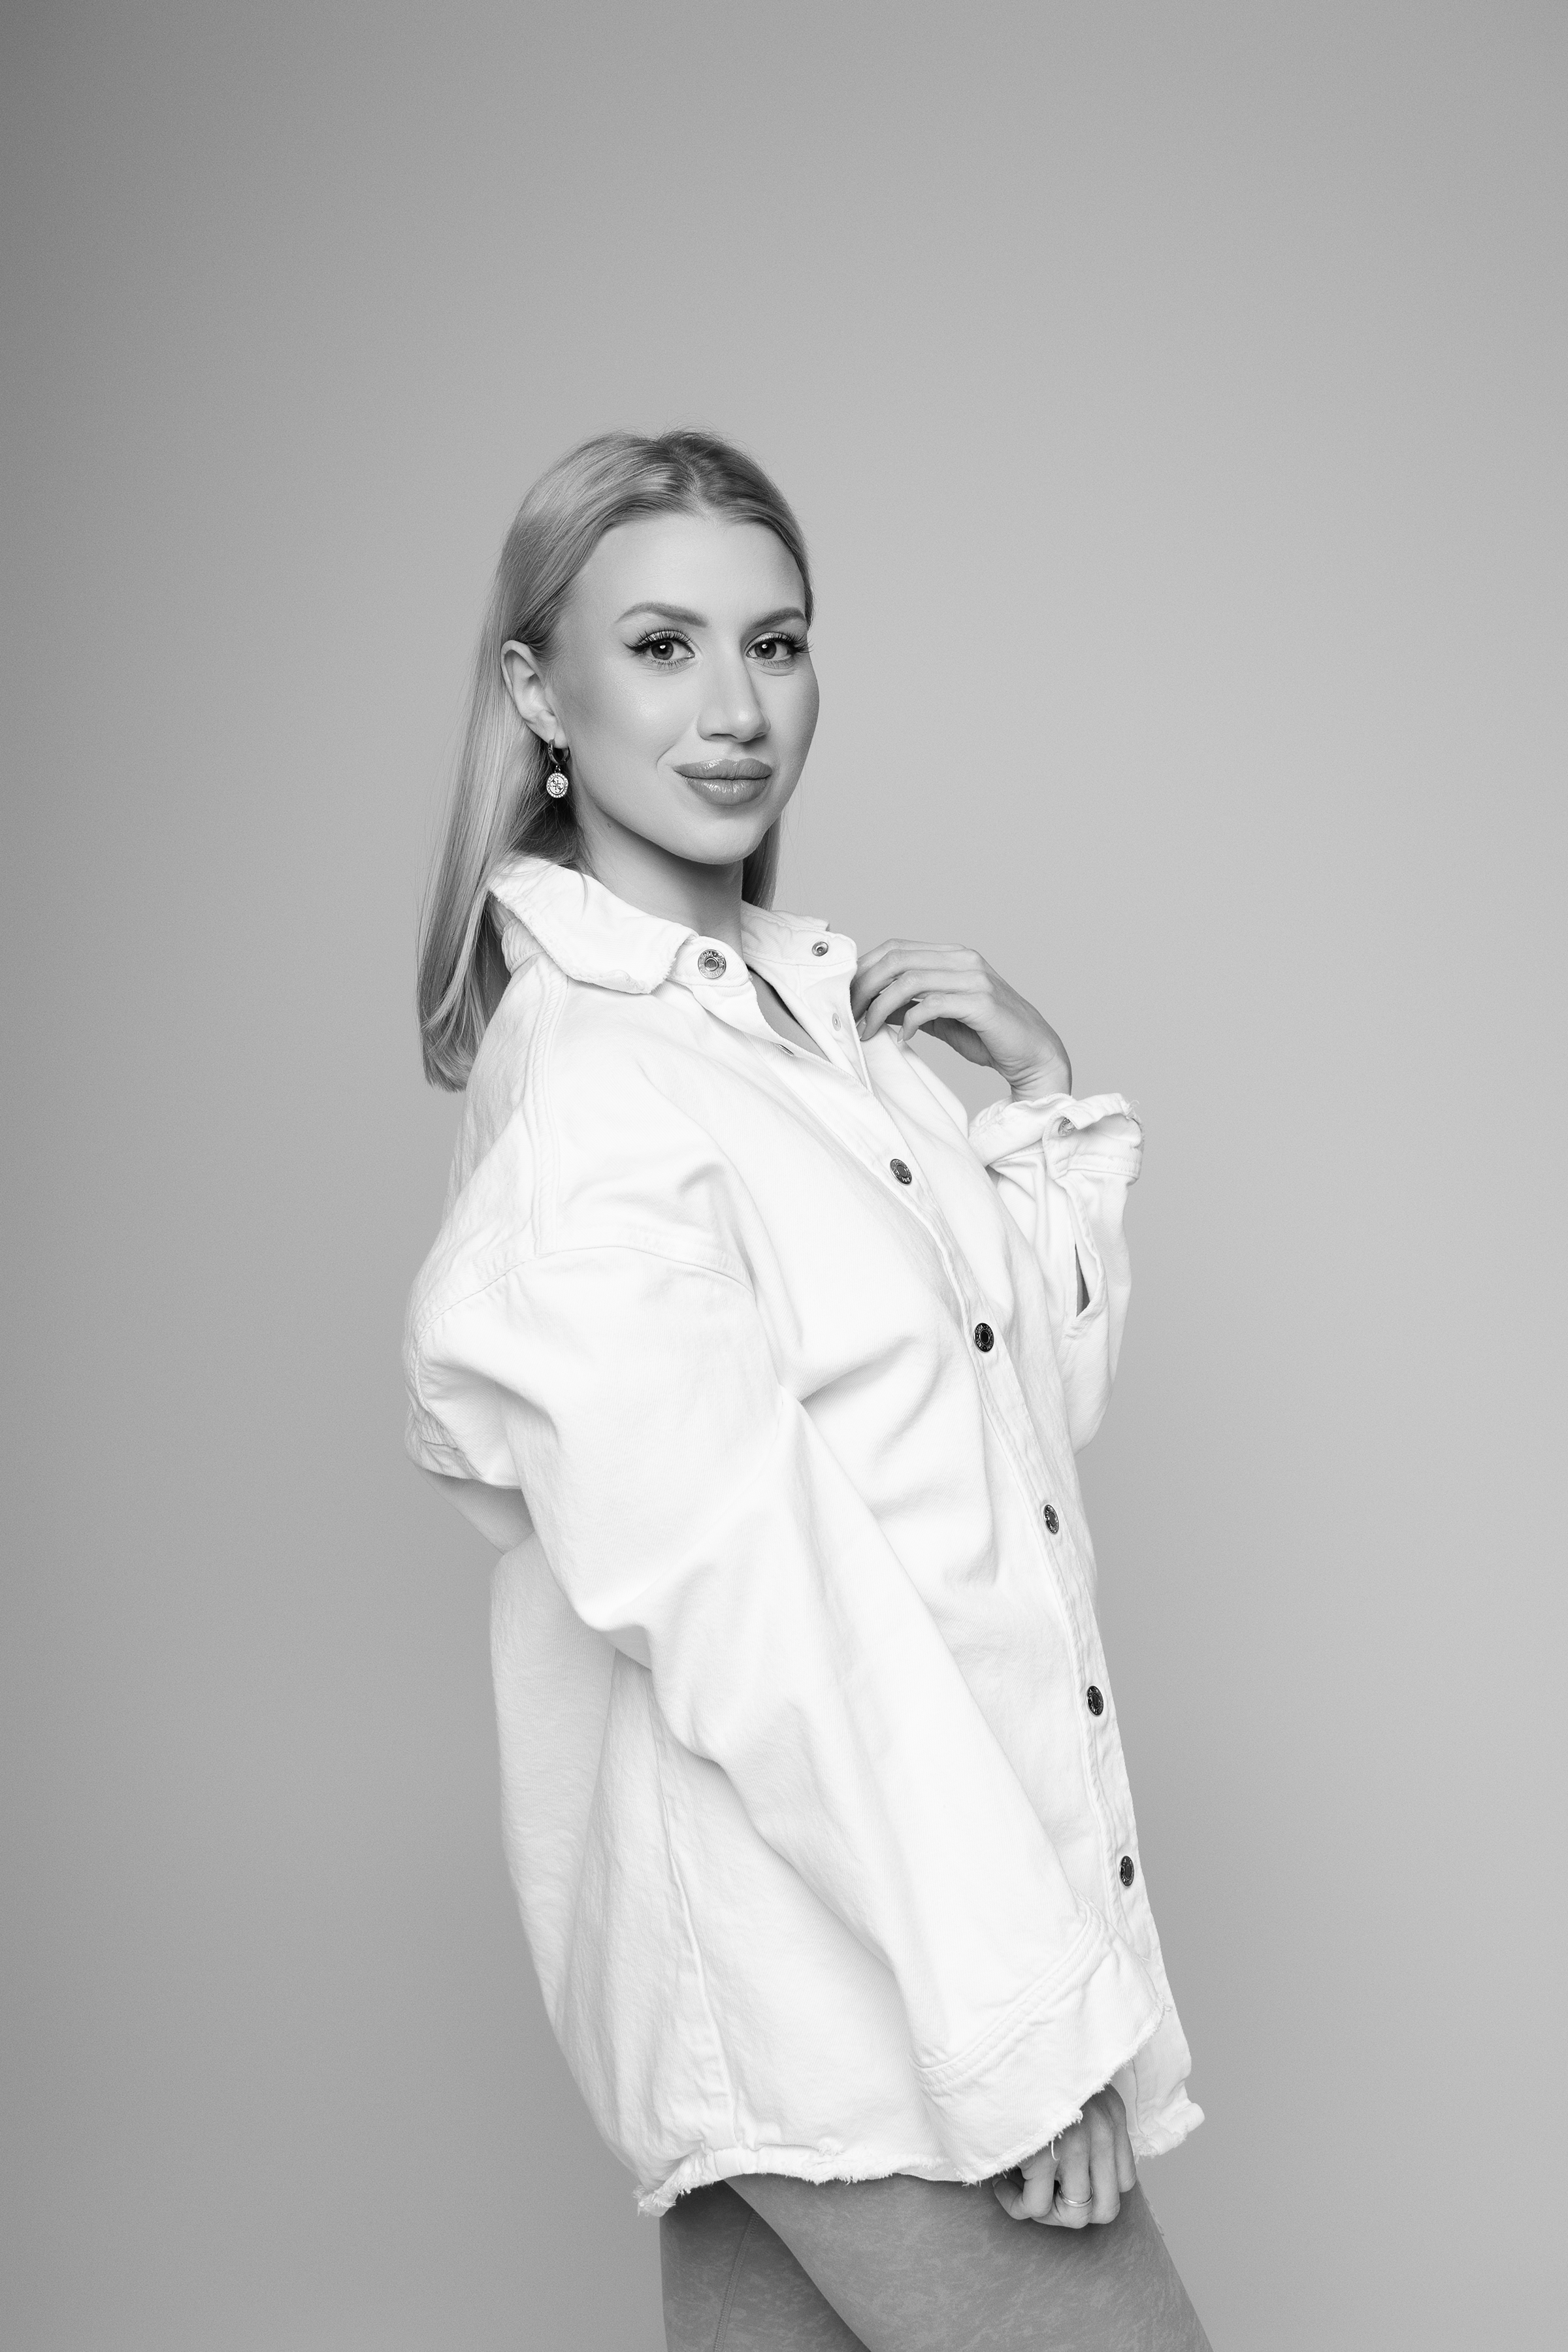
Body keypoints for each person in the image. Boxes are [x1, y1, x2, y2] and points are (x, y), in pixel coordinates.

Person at [404, 429, 1209, 2349]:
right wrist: (1020, 2024)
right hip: (848, 1994)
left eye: (775, 644)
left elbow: (1000, 1459)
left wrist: (1038, 1117)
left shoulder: (817, 1032)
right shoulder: (595, 1096)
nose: (737, 708)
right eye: (662, 645)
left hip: (853, 1979)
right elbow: (765, 1614)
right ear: (539, 693)